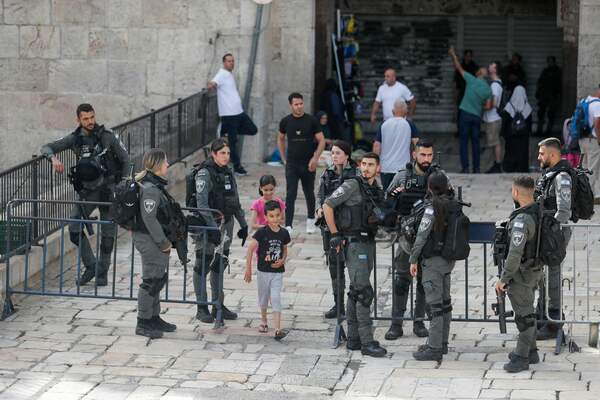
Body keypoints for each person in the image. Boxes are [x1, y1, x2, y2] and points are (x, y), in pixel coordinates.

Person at [41, 103, 129, 287]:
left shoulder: (107, 136)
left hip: (109, 190)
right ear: (78, 120)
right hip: (88, 191)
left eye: (92, 117)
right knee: (74, 227)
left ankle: (102, 273)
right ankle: (91, 266)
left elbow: (126, 160)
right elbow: (47, 147)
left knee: (108, 234)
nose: (90, 122)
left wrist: (123, 186)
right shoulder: (75, 139)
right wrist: (53, 158)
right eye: (85, 119)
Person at [323, 152, 387, 358]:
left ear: (378, 167)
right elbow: (327, 205)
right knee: (364, 292)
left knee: (355, 291)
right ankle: (367, 342)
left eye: (371, 165)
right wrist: (334, 234)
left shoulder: (375, 188)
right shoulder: (352, 184)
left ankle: (353, 338)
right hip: (354, 244)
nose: (366, 168)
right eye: (364, 164)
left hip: (368, 242)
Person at [383, 140, 440, 340]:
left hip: (429, 241)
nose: (426, 159)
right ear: (414, 155)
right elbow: (387, 204)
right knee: (401, 281)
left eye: (429, 155)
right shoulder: (402, 177)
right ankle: (396, 324)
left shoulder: (438, 177)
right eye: (422, 155)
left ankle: (419, 322)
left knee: (424, 283)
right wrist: (394, 199)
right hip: (406, 240)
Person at [192, 138, 248, 323]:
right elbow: (201, 204)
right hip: (208, 227)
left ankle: (218, 304)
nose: (226, 156)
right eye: (222, 153)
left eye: (228, 153)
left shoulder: (228, 171)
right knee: (202, 265)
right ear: (213, 154)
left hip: (227, 224)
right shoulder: (204, 173)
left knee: (219, 265)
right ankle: (202, 308)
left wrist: (243, 224)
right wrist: (212, 227)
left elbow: (235, 199)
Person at [495, 176, 543, 373]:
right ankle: (531, 351)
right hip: (533, 271)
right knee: (527, 311)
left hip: (521, 275)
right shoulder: (537, 211)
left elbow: (515, 253)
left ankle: (521, 357)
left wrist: (504, 279)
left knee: (524, 317)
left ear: (515, 192)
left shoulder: (522, 220)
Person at [409, 172, 456, 361]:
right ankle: (441, 342)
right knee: (445, 304)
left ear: (429, 187)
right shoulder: (453, 204)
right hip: (447, 261)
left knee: (436, 306)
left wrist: (413, 259)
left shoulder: (432, 208)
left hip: (433, 262)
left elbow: (421, 236)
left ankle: (434, 347)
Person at [132, 148, 179, 339]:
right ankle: (143, 322)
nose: (168, 164)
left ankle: (154, 317)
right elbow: (149, 219)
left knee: (157, 278)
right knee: (151, 282)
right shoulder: (150, 189)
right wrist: (163, 243)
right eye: (165, 162)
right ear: (158, 165)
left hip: (151, 239)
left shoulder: (153, 184)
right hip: (149, 239)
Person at [534, 138, 572, 340]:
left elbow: (564, 211)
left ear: (553, 155)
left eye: (542, 153)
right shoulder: (549, 174)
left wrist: (551, 230)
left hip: (555, 233)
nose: (539, 157)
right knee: (543, 275)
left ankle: (554, 320)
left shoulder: (562, 177)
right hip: (547, 230)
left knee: (553, 276)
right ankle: (542, 315)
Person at [316, 140, 357, 319]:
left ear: (347, 155)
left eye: (338, 153)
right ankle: (338, 305)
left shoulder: (356, 174)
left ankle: (354, 305)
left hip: (351, 227)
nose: (335, 156)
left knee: (354, 268)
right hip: (330, 227)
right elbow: (321, 195)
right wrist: (319, 208)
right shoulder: (327, 173)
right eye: (332, 153)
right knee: (335, 266)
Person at [277, 92, 326, 234]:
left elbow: (321, 140)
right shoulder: (286, 121)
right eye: (296, 104)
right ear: (291, 105)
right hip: (292, 163)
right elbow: (280, 138)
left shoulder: (311, 120)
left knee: (309, 192)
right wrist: (283, 157)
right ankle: (288, 225)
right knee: (290, 193)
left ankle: (311, 220)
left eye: (301, 104)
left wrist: (315, 158)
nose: (299, 107)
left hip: (308, 163)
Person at [244, 200, 291, 341]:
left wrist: (282, 260)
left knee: (276, 298)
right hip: (263, 272)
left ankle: (277, 329)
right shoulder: (261, 233)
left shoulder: (284, 233)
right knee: (263, 298)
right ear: (265, 217)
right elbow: (250, 249)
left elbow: (285, 249)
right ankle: (264, 320)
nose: (275, 219)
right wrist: (248, 269)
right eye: (271, 216)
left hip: (277, 272)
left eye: (277, 215)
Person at [208, 53, 258, 176]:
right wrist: (211, 85)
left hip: (238, 112)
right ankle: (237, 166)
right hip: (229, 114)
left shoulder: (229, 74)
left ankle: (224, 130)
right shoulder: (221, 74)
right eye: (229, 61)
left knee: (253, 129)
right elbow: (212, 83)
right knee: (233, 142)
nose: (232, 63)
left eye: (233, 61)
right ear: (224, 63)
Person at [449, 46, 492, 173]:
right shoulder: (487, 89)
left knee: (463, 142)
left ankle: (465, 168)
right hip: (477, 117)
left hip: (465, 115)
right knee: (475, 143)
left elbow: (458, 67)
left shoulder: (471, 80)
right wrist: (478, 106)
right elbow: (488, 106)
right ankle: (477, 168)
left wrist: (453, 54)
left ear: (478, 73)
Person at [373, 100, 418, 190]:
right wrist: (417, 163)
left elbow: (376, 146)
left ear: (393, 111)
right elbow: (417, 145)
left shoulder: (384, 124)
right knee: (401, 195)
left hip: (386, 168)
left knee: (387, 193)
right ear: (405, 111)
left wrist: (376, 164)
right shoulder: (409, 124)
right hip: (403, 169)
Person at [501, 74, 532, 173]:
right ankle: (522, 168)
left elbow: (505, 122)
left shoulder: (509, 107)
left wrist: (504, 134)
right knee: (522, 152)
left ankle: (509, 167)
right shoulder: (528, 108)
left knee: (510, 151)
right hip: (523, 137)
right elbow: (529, 125)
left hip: (511, 136)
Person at [578, 84, 600, 204]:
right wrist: (599, 139)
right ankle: (588, 197)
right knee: (592, 169)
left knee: (585, 168)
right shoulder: (598, 105)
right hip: (593, 140)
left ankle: (583, 194)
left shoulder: (585, 101)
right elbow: (597, 123)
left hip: (582, 140)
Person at [484, 62, 504, 173]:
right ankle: (496, 164)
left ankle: (497, 165)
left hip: (493, 119)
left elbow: (495, 103)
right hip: (493, 118)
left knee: (495, 143)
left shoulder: (495, 85)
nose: (489, 66)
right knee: (494, 142)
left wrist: (484, 107)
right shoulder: (497, 83)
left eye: (491, 65)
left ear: (495, 70)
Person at [535, 56, 562, 137]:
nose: (549, 63)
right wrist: (538, 93)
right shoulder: (545, 71)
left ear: (554, 62)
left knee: (551, 115)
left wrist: (557, 95)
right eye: (548, 61)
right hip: (544, 96)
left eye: (551, 61)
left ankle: (548, 132)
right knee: (541, 114)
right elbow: (540, 83)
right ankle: (539, 131)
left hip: (553, 97)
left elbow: (559, 85)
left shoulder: (557, 71)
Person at [320, 78, 349, 143]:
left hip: (327, 120)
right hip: (335, 122)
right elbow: (336, 111)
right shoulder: (333, 95)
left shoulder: (324, 95)